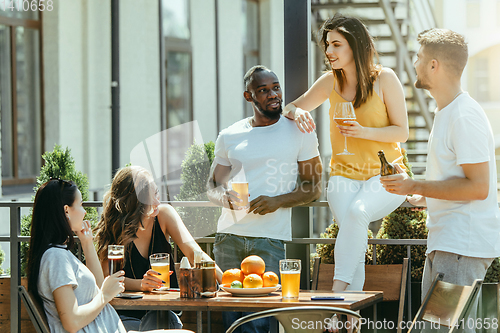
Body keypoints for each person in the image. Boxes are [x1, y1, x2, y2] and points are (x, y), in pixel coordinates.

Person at [380, 28, 500, 329]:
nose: (415, 63)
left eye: (419, 57)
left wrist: (416, 185)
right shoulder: (446, 112)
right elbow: (458, 181)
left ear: (434, 65)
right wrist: (424, 196)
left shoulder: (463, 116)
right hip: (449, 244)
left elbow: (479, 187)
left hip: (461, 247)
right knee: (440, 328)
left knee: (439, 329)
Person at [282, 13, 409, 293]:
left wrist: (362, 131)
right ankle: (347, 321)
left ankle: (336, 293)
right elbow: (290, 108)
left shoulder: (385, 79)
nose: (328, 51)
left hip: (385, 175)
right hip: (343, 176)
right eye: (327, 45)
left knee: (358, 212)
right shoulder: (329, 82)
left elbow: (402, 132)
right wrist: (299, 110)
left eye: (336, 44)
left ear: (356, 45)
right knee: (354, 236)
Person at [207, 65, 322, 332]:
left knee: (261, 321)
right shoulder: (229, 136)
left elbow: (314, 187)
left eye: (276, 88)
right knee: (232, 321)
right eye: (263, 90)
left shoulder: (299, 130)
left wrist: (278, 201)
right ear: (249, 97)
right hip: (228, 238)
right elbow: (212, 186)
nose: (273, 95)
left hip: (270, 240)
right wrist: (225, 198)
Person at [26, 178, 193, 333]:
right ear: (66, 211)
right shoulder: (56, 258)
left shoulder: (58, 254)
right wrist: (105, 295)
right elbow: (72, 322)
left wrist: (87, 243)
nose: (84, 212)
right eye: (81, 204)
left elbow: (99, 285)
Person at [95, 166, 222, 331]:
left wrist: (227, 281)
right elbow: (108, 278)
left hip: (162, 312)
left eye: (157, 193)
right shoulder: (115, 228)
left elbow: (195, 253)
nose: (157, 201)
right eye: (151, 197)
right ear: (135, 202)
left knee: (160, 320)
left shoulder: (163, 215)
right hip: (125, 315)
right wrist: (141, 284)